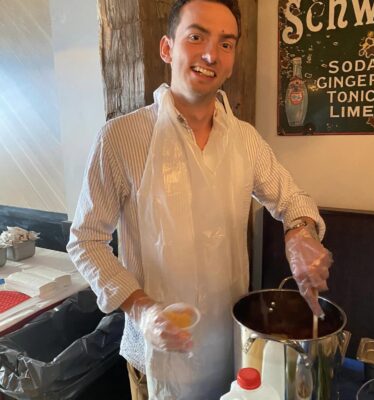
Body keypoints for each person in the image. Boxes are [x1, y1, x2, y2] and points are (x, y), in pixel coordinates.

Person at [67, 0, 333, 399]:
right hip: (154, 349)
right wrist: (140, 307)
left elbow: (292, 200)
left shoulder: (245, 139)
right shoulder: (121, 138)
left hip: (233, 347)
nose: (211, 54)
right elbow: (86, 240)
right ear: (167, 47)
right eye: (196, 37)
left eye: (226, 44)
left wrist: (301, 233)